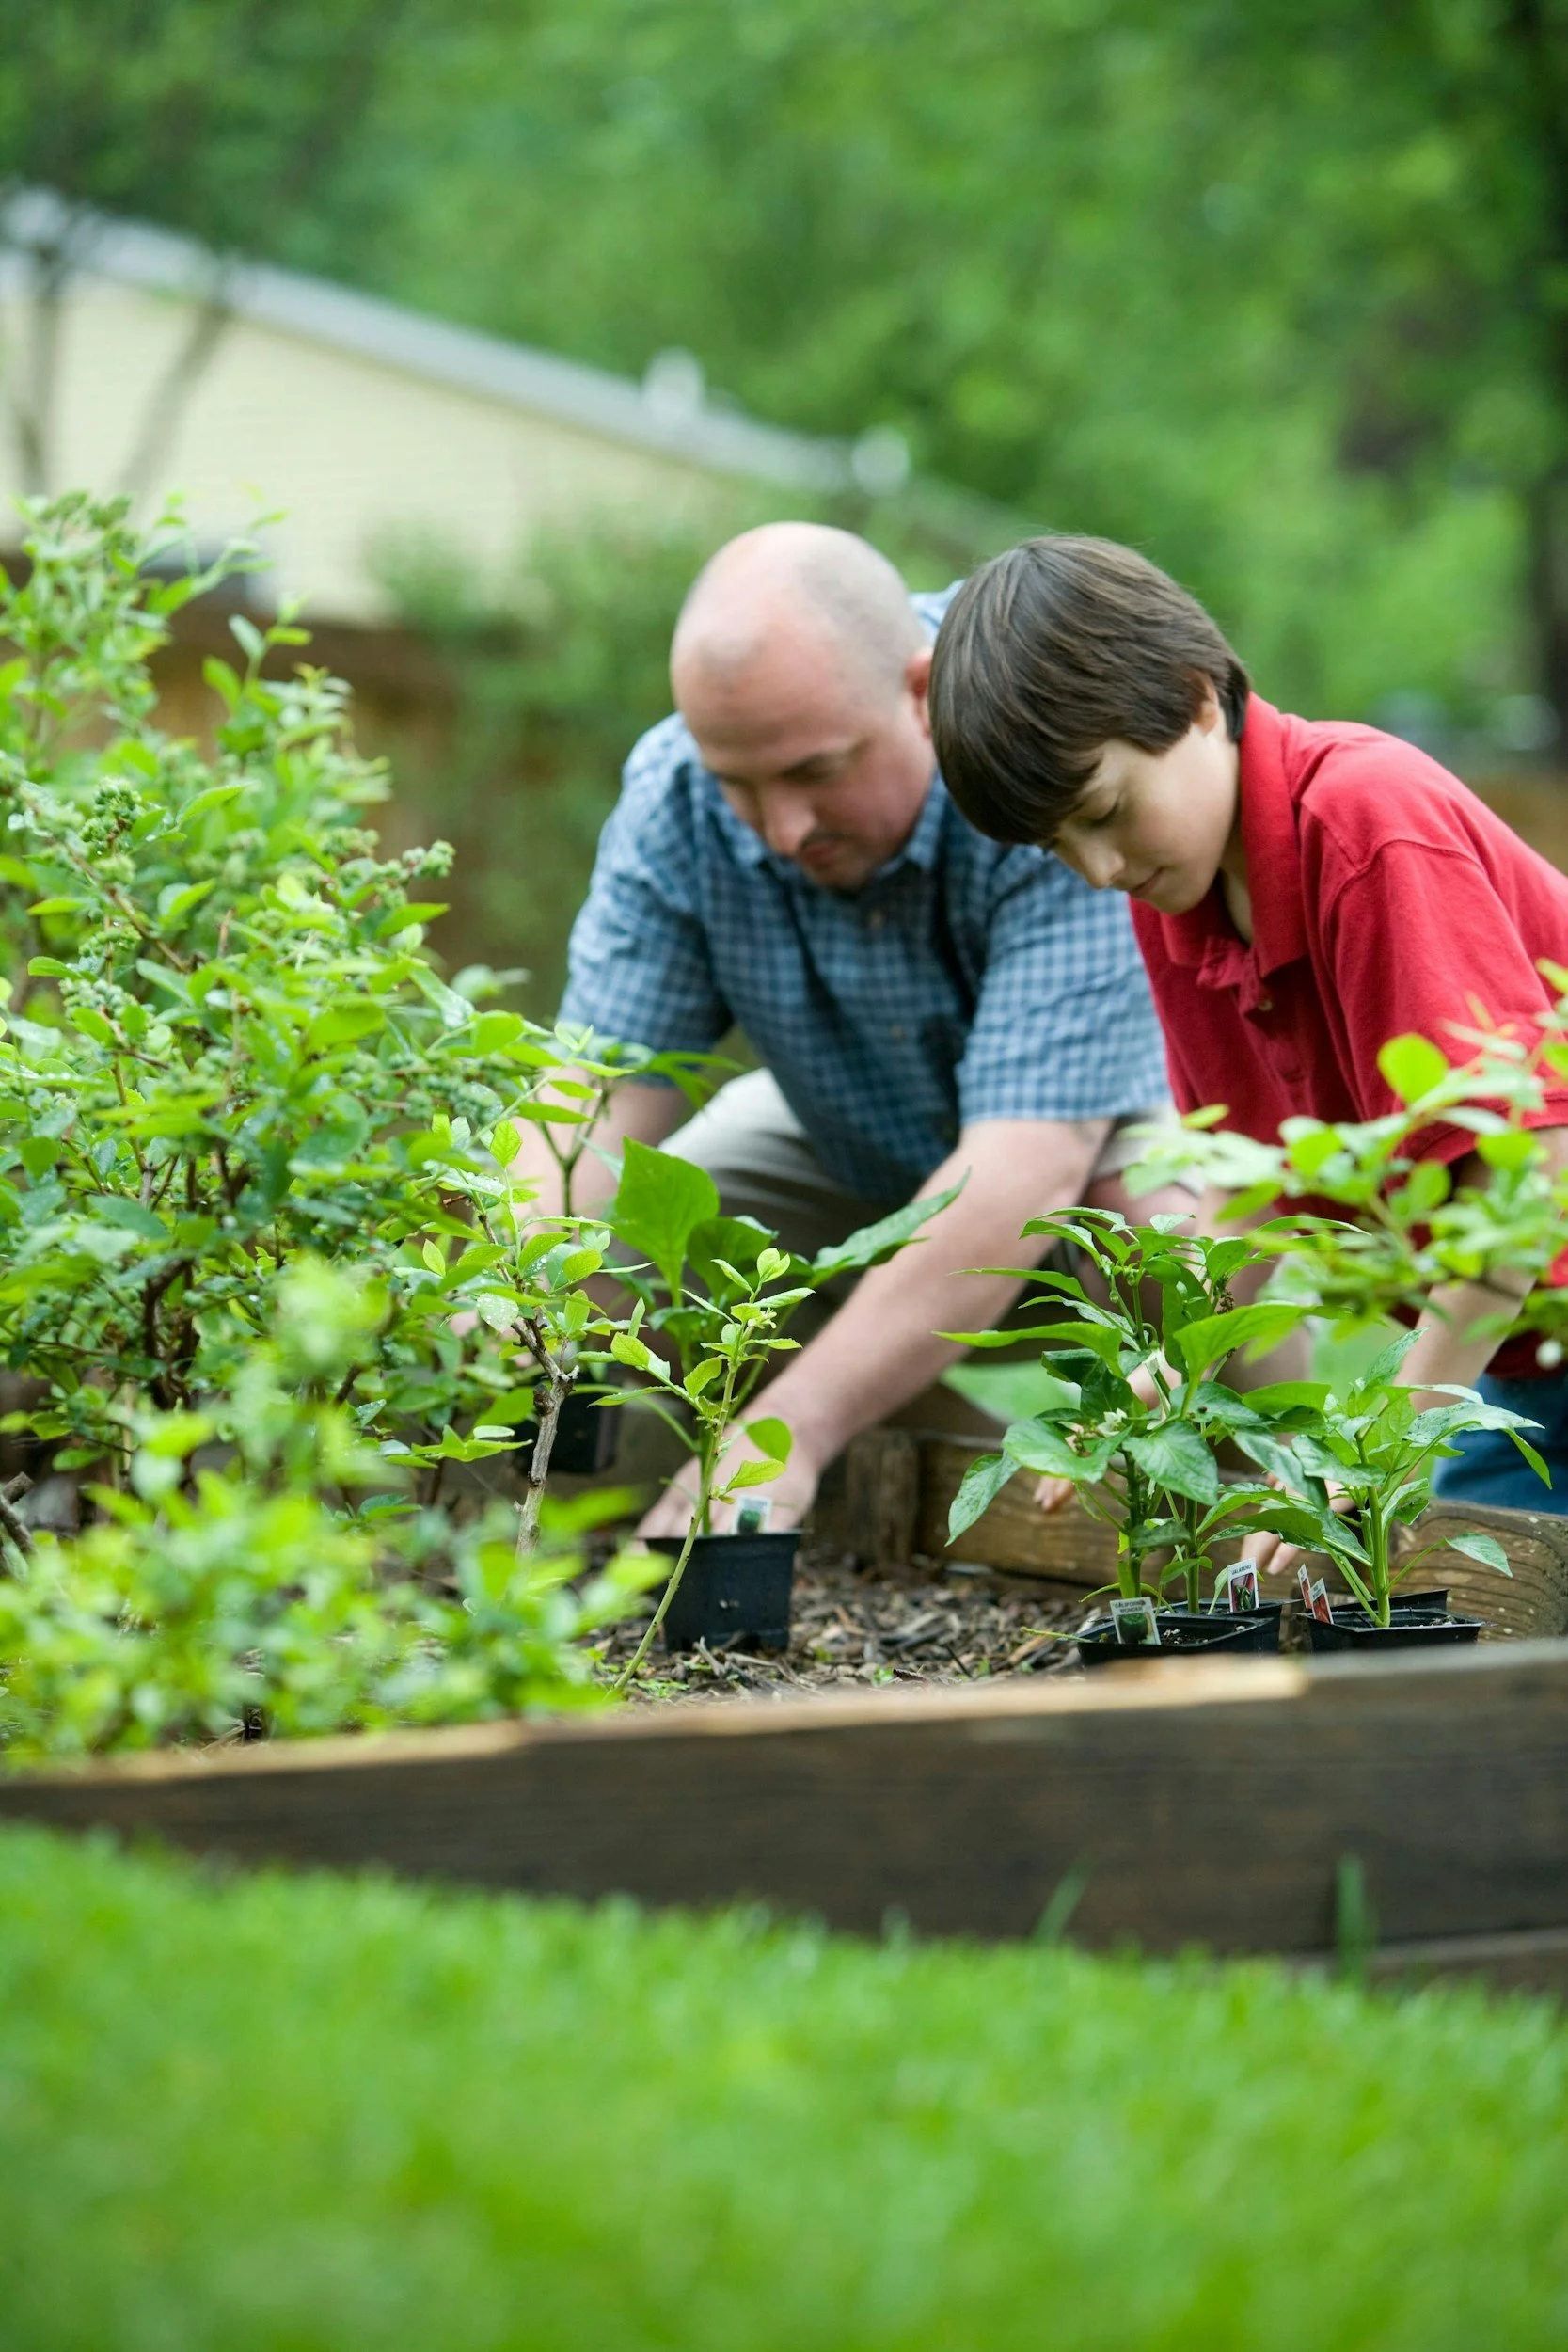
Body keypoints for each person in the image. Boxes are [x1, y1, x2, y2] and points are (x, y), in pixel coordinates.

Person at [515, 521, 1181, 1534]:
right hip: (849, 1148)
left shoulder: (1032, 746)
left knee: (1171, 1237)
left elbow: (1024, 1168)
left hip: (1089, 1149)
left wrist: (789, 1428)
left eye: (815, 771)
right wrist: (515, 1277)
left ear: (919, 692)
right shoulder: (675, 795)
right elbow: (590, 1099)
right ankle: (954, 1493)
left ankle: (1244, 1508)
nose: (781, 829)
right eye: (740, 783)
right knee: (651, 1235)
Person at [927, 532, 1568, 1520]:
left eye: (1102, 811)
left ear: (1193, 697)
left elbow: (1521, 1178)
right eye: (1056, 848)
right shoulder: (1170, 899)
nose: (1094, 868)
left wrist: (1368, 1447)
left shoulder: (1362, 823)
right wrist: (1160, 1382)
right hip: (1522, 1361)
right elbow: (1250, 1190)